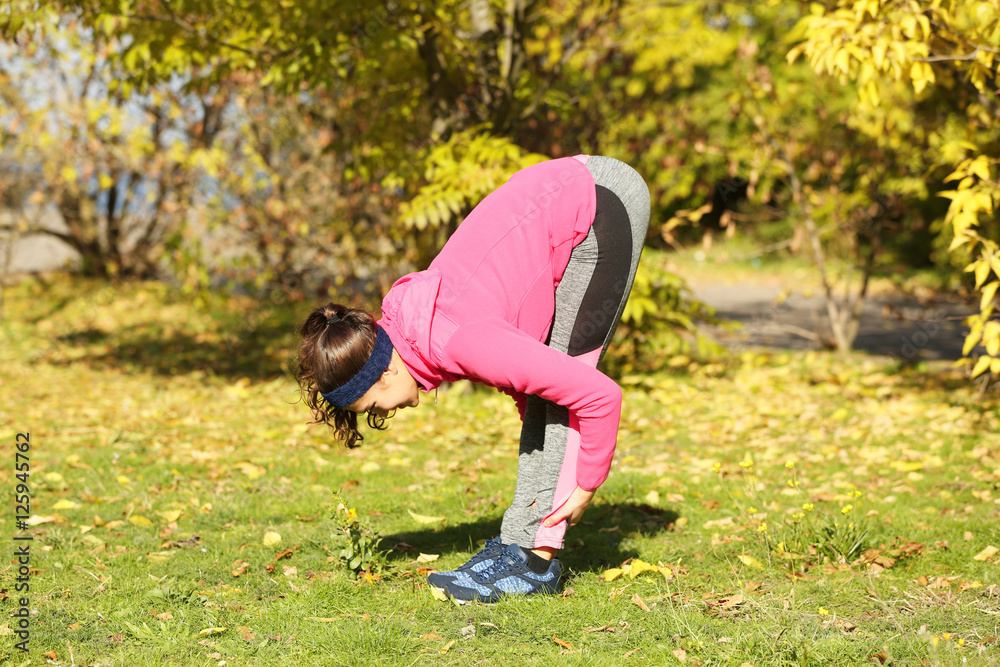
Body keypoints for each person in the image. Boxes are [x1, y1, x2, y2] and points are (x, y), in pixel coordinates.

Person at [296, 154, 650, 603]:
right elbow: (530, 385)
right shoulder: (411, 324)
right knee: (548, 396)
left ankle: (535, 563)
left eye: (371, 408)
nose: (387, 414)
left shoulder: (456, 340)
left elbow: (598, 397)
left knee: (569, 383)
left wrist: (586, 483)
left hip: (599, 204)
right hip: (566, 195)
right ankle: (517, 543)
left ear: (384, 372)